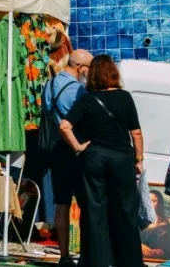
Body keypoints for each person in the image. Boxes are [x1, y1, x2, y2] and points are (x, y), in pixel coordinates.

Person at [59, 54, 144, 267]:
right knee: (125, 211)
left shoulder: (87, 99)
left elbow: (64, 126)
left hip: (94, 157)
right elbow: (136, 133)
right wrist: (139, 159)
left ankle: (95, 261)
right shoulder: (125, 97)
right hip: (122, 158)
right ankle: (129, 261)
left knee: (94, 211)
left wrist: (78, 147)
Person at [42, 49, 93, 267]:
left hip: (55, 150)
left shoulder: (49, 85)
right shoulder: (78, 91)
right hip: (75, 149)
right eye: (89, 68)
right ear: (81, 67)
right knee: (85, 204)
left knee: (61, 204)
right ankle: (85, 254)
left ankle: (64, 256)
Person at [140, 190, 170, 260]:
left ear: (159, 203)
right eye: (148, 200)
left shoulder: (166, 226)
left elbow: (168, 250)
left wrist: (153, 253)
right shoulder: (138, 221)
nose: (150, 203)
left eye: (154, 201)